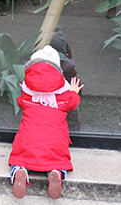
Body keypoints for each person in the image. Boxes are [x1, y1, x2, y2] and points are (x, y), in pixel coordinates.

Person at [8, 45, 84, 199]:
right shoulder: (63, 97)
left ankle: (19, 171)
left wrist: (26, 91)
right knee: (57, 161)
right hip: (55, 143)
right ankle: (56, 173)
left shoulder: (28, 96)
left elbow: (21, 102)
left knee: (20, 159)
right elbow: (72, 103)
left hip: (26, 142)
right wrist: (74, 92)